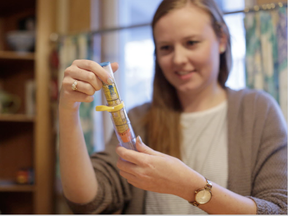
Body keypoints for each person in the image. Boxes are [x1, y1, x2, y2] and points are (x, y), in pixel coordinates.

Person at [58, 0, 287, 214]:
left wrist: (188, 187)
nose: (178, 59)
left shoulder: (258, 111)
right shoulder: (139, 118)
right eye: (166, 48)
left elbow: (279, 209)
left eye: (191, 43)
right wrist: (69, 110)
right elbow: (89, 201)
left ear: (222, 40)